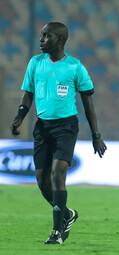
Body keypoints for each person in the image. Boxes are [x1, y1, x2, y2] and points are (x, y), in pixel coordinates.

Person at [10, 22, 107, 244]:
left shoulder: (75, 67)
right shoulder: (35, 63)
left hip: (66, 127)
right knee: (42, 182)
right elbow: (28, 95)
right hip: (42, 127)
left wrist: (96, 135)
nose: (41, 39)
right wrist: (19, 117)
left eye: (46, 35)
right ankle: (67, 214)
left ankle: (56, 232)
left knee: (57, 175)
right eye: (41, 35)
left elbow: (88, 104)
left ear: (60, 39)